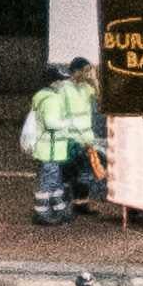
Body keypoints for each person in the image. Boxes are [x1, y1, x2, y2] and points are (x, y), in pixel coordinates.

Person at [22, 56, 105, 224]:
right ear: (76, 71)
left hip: (83, 137)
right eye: (86, 70)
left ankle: (76, 205)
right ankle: (55, 209)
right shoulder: (62, 90)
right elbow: (52, 117)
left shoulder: (85, 88)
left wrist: (94, 80)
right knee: (62, 174)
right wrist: (67, 127)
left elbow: (100, 99)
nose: (89, 73)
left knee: (83, 173)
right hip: (67, 138)